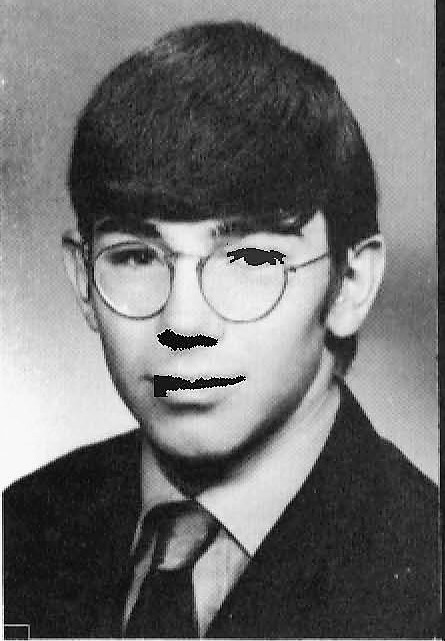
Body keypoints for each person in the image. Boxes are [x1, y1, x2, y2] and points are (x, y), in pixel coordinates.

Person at [3, 20, 438, 639]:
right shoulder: (19, 530)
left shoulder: (425, 578)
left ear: (349, 284)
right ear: (83, 282)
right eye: (136, 256)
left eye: (249, 260)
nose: (183, 324)